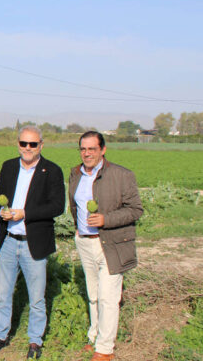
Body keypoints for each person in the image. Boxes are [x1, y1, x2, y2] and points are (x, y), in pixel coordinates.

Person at [0, 126, 65, 359]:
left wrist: (25, 213)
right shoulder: (9, 167)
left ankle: (34, 341)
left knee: (37, 297)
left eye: (33, 144)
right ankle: (0, 335)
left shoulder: (51, 171)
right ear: (17, 144)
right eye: (23, 143)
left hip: (34, 242)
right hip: (9, 240)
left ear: (41, 144)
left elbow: (57, 206)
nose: (27, 148)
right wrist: (2, 211)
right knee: (3, 293)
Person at [69, 131, 142, 361]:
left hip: (111, 243)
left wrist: (105, 219)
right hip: (85, 243)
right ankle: (95, 337)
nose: (87, 153)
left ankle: (105, 349)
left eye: (92, 148)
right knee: (93, 294)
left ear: (103, 150)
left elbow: (135, 210)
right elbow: (74, 206)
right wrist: (79, 230)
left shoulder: (121, 175)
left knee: (109, 296)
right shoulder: (75, 173)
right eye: (83, 148)